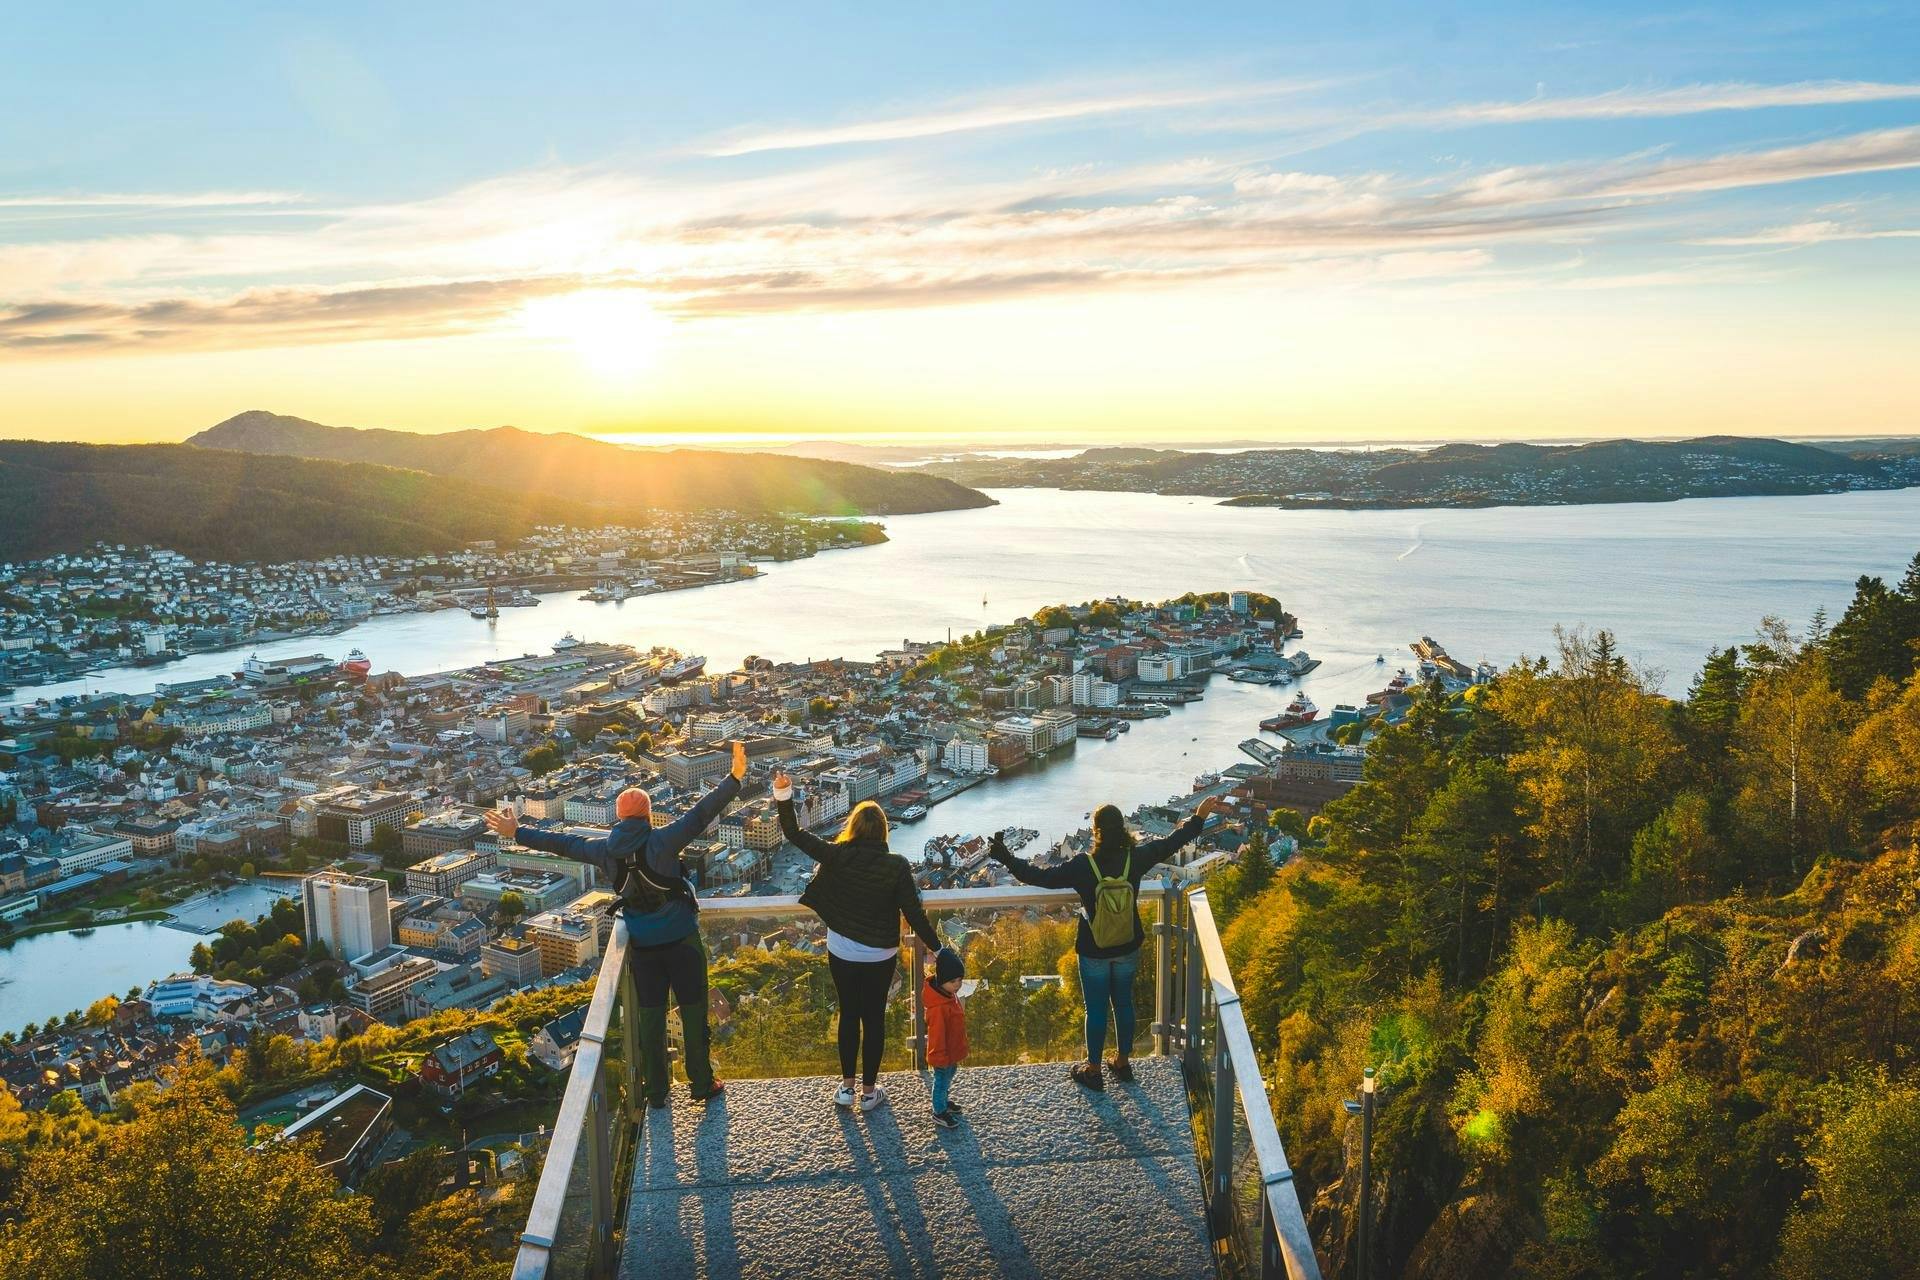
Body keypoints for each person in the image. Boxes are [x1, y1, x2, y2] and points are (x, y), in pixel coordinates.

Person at [483, 740, 747, 1109]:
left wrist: (517, 832)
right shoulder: (664, 840)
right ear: (648, 814)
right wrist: (735, 778)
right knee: (692, 1011)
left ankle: (657, 1092)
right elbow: (701, 814)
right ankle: (701, 1084)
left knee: (651, 1021)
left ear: (620, 818)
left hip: (644, 949)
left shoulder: (604, 850)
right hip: (682, 942)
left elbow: (561, 843)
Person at [990, 798, 1219, 1090]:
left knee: (1095, 1010)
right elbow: (1172, 842)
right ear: (1121, 829)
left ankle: (1094, 1069)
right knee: (1124, 1004)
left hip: (1093, 948)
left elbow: (1038, 876)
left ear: (1096, 831)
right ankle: (1122, 1063)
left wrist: (1005, 856)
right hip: (1127, 944)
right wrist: (1198, 817)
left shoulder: (1084, 866)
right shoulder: (1134, 859)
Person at [773, 770, 941, 1113]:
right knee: (873, 1018)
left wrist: (783, 792)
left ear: (852, 828)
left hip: (843, 949)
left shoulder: (838, 855)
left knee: (849, 1014)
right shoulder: (896, 865)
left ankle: (847, 1089)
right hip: (881, 952)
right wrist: (937, 949)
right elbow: (913, 912)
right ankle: (868, 1093)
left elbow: (793, 832)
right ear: (883, 831)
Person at [924, 945, 969, 1130]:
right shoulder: (939, 1007)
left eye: (959, 980)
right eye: (953, 981)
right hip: (942, 1054)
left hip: (951, 1051)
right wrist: (939, 1056)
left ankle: (944, 1101)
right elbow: (937, 1035)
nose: (957, 985)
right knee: (941, 1080)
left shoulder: (949, 995)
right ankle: (939, 1111)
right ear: (942, 981)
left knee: (948, 1077)